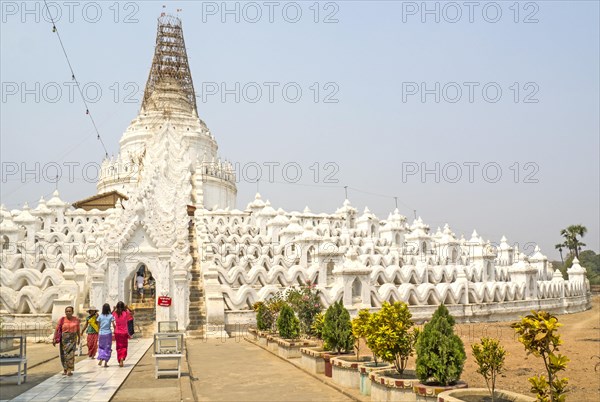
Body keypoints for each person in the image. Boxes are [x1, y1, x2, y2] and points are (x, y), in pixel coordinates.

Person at [52, 306, 80, 376]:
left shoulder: (76, 319)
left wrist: (79, 338)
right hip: (64, 339)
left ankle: (69, 370)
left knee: (71, 355)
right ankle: (65, 369)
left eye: (69, 311)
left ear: (72, 312)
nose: (68, 312)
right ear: (65, 312)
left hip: (73, 339)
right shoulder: (62, 319)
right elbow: (57, 329)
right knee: (63, 354)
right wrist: (54, 338)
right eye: (67, 311)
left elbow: (78, 329)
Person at [113, 301, 134, 367]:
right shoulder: (126, 313)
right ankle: (122, 358)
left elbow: (110, 315)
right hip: (124, 332)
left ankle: (120, 359)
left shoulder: (115, 313)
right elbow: (133, 313)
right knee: (124, 346)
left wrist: (114, 309)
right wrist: (127, 307)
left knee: (118, 346)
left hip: (117, 332)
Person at [96, 303, 115, 367]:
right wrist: (115, 330)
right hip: (108, 333)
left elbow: (98, 325)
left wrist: (98, 332)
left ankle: (101, 358)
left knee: (101, 347)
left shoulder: (100, 316)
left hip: (101, 333)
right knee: (108, 347)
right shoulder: (111, 316)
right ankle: (106, 362)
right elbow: (113, 324)